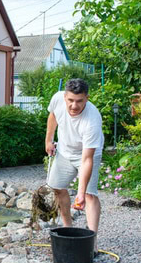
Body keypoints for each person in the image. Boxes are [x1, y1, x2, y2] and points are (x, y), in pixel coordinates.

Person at [44, 78, 104, 240]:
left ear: (87, 98)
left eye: (79, 101)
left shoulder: (92, 120)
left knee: (89, 195)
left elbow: (87, 160)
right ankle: (67, 227)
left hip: (87, 154)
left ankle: (92, 239)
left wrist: (81, 193)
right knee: (56, 187)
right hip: (64, 151)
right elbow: (53, 116)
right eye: (70, 100)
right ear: (65, 97)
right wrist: (48, 140)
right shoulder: (57, 98)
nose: (74, 106)